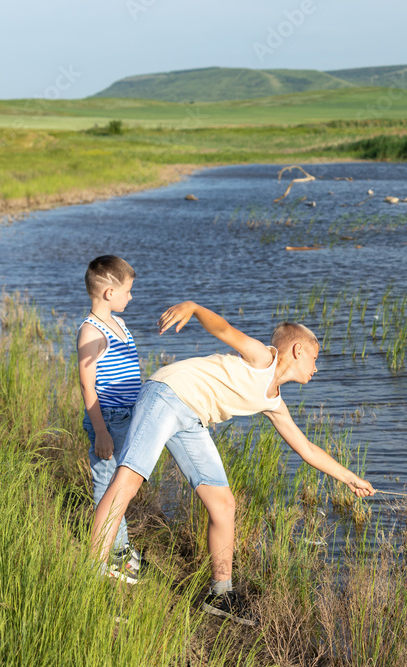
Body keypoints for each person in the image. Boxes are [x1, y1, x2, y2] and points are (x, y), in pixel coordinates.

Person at [89, 301, 375, 623]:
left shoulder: (274, 402)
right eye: (314, 358)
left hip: (192, 416)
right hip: (167, 394)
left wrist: (350, 478)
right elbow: (223, 329)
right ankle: (93, 577)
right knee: (128, 481)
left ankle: (220, 594)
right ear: (296, 350)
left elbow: (306, 448)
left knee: (223, 504)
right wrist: (193, 308)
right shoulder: (262, 358)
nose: (316, 367)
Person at [77, 255, 143, 584]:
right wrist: (101, 431)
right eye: (128, 291)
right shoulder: (91, 332)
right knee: (107, 486)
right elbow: (88, 385)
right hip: (107, 419)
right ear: (108, 293)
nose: (131, 297)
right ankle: (109, 558)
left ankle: (118, 550)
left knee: (122, 484)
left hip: (126, 416)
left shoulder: (119, 323)